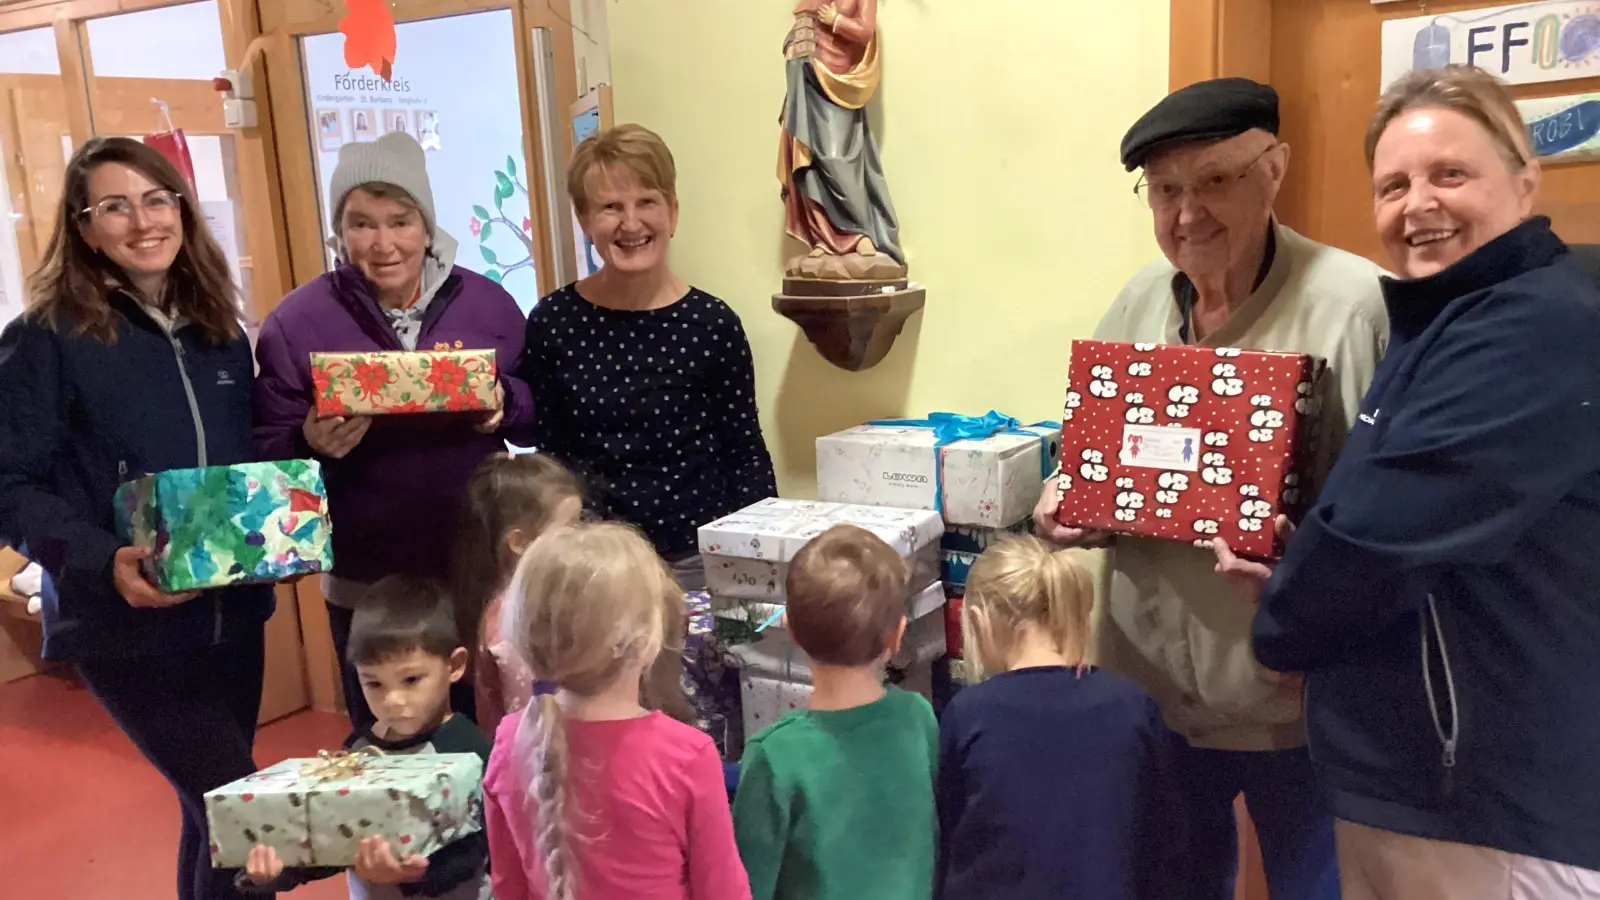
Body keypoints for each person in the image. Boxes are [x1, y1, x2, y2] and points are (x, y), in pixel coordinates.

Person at [1213, 65, 1600, 899]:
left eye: (1449, 174)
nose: (1418, 204)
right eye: (1393, 185)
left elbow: (1379, 536)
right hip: (1419, 783)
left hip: (1488, 805)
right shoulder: (1441, 322)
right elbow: (1384, 516)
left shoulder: (1533, 328)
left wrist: (1285, 627)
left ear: (1525, 180)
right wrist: (1301, 566)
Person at [1032, 77, 1390, 900]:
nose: (1187, 214)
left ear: (1275, 169)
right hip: (1150, 690)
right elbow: (1103, 463)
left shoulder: (1354, 307)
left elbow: (1382, 526)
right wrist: (1068, 503)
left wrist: (1313, 588)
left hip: (1290, 705)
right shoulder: (1135, 301)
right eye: (1165, 191)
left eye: (1216, 181)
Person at [0, 136, 269, 900]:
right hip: (126, 629)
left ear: (182, 210)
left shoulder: (219, 329)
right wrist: (96, 558)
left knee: (213, 822)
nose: (142, 220)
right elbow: (8, 482)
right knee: (252, 823)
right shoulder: (47, 336)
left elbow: (243, 466)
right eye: (114, 206)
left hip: (231, 619)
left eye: (157, 199)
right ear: (84, 228)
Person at [255, 131, 534, 729]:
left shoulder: (488, 306)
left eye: (400, 221)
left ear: (427, 226)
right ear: (339, 232)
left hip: (475, 573)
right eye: (361, 223)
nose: (383, 244)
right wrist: (307, 442)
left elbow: (541, 411)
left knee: (490, 740)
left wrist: (506, 403)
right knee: (386, 738)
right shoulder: (298, 321)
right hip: (366, 581)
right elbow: (267, 453)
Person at [519, 124, 776, 591]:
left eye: (647, 202)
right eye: (610, 207)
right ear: (584, 221)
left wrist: (760, 567)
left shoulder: (713, 324)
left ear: (673, 214)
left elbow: (745, 455)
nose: (631, 223)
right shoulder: (552, 322)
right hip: (594, 568)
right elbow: (551, 458)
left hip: (699, 565)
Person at [482, 521, 749, 900]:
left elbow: (507, 886)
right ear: (646, 640)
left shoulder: (509, 741)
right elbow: (724, 892)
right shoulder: (686, 756)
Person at [935, 536, 1185, 900]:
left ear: (977, 618)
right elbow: (1165, 837)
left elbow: (948, 832)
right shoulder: (1133, 705)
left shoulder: (970, 712)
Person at [240, 576, 493, 899]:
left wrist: (413, 873)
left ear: (454, 666)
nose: (392, 701)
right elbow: (330, 840)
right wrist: (278, 870)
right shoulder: (359, 753)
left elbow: (482, 849)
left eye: (411, 679)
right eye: (374, 683)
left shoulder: (470, 749)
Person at [732, 524, 939, 900]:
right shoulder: (919, 717)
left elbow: (745, 885)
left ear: (790, 630)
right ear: (897, 635)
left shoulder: (774, 755)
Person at [452, 452, 584, 736]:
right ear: (519, 542)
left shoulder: (533, 600)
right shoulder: (512, 623)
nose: (581, 539)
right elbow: (529, 717)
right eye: (570, 528)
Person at [778, 0, 903, 280]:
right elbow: (802, 25)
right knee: (811, 162)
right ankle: (823, 238)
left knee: (837, 159)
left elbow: (865, 30)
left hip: (838, 83)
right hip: (806, 82)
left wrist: (836, 20)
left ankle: (860, 232)